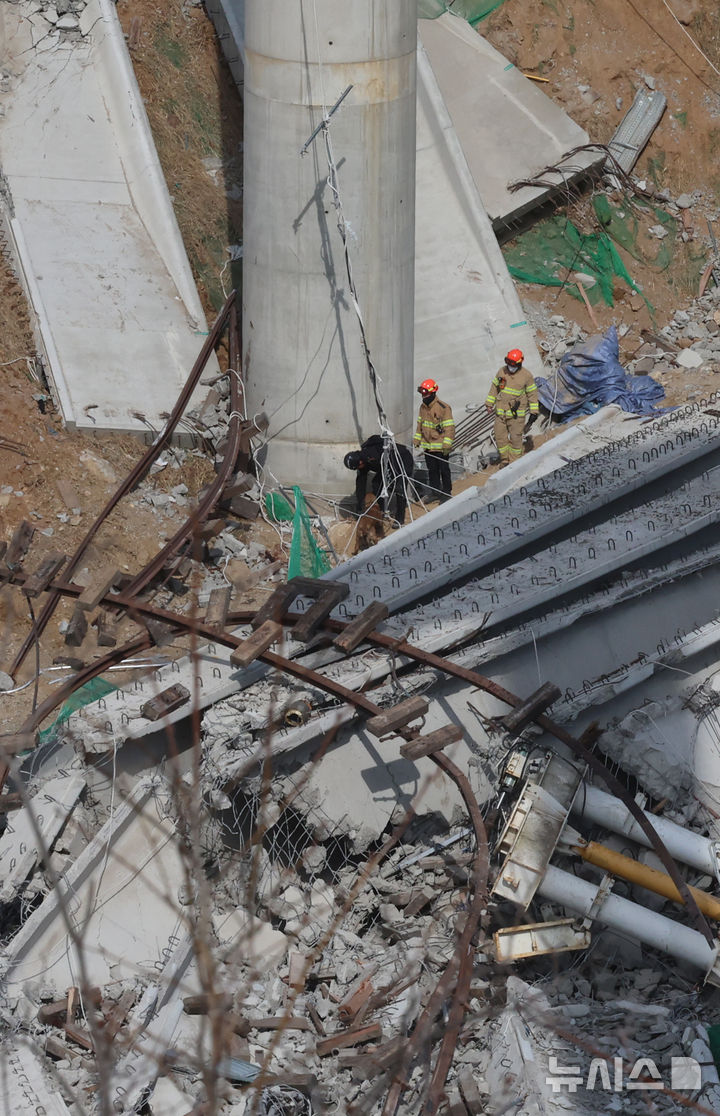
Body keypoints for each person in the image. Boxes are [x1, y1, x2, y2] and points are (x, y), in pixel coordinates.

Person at [344, 434, 414, 526]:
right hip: (385, 466)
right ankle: (381, 512)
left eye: (357, 467)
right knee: (376, 485)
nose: (358, 468)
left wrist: (391, 481)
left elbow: (392, 466)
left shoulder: (373, 455)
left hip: (401, 460)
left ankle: (399, 519)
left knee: (399, 488)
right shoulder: (363, 461)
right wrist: (360, 507)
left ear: (360, 462)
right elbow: (360, 483)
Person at [485, 349, 539, 467]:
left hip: (516, 415)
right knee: (500, 437)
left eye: (513, 364)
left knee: (515, 439)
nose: (510, 366)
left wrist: (534, 411)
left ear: (519, 363)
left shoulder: (526, 376)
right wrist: (489, 403)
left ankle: (515, 462)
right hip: (500, 413)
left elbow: (532, 394)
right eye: (508, 362)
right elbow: (494, 387)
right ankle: (505, 460)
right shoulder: (502, 371)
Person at [413, 379, 455, 502]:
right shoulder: (423, 407)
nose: (423, 396)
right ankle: (435, 492)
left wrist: (447, 444)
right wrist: (417, 438)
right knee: (432, 471)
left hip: (441, 446)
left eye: (425, 393)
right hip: (428, 447)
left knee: (444, 470)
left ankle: (447, 492)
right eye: (422, 393)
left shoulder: (443, 408)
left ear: (433, 393)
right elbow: (420, 423)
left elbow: (449, 427)